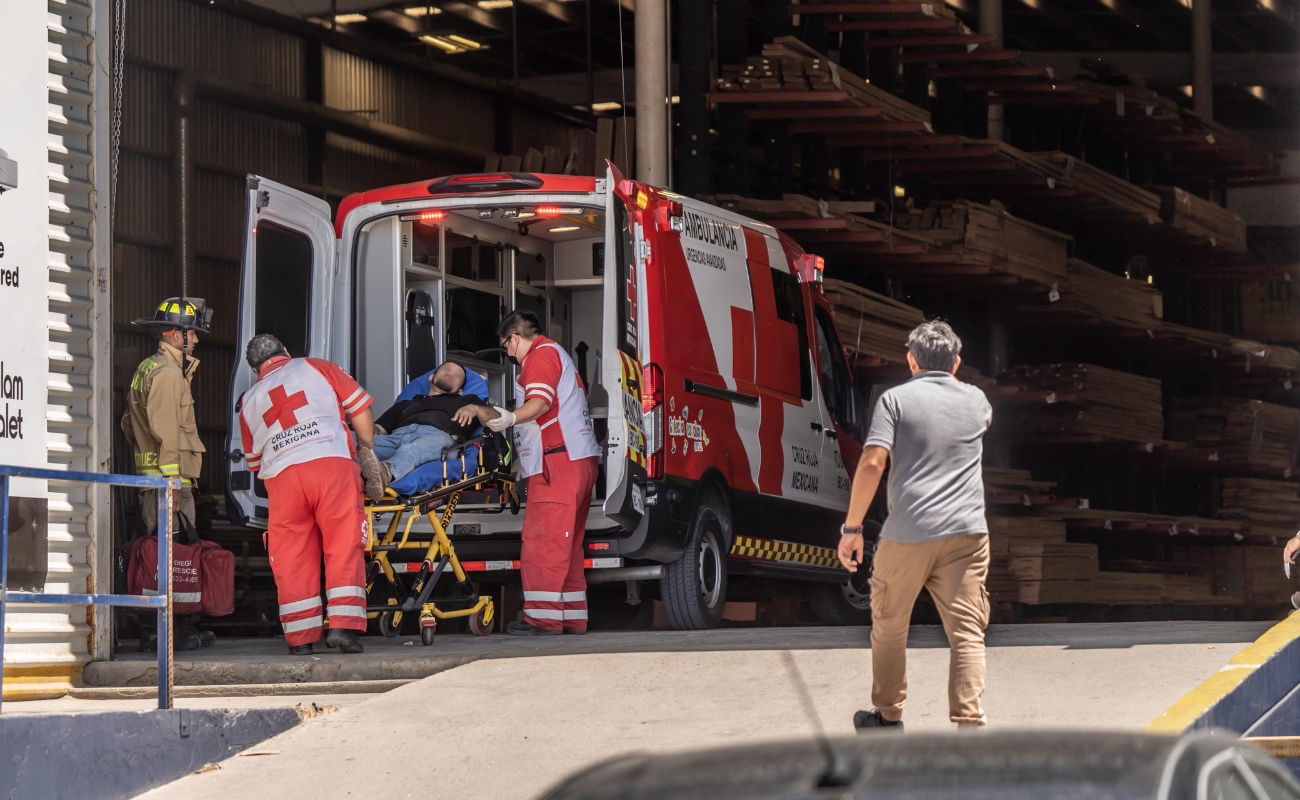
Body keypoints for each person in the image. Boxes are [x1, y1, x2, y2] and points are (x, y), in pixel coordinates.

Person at [838, 320, 993, 732]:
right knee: (967, 633)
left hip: (908, 531)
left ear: (910, 360)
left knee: (890, 626)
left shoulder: (895, 401)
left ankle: (888, 716)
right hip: (966, 533)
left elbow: (872, 463)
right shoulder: (978, 402)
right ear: (956, 363)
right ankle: (969, 728)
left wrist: (852, 529)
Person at [238, 334, 376, 655]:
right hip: (330, 464)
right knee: (343, 543)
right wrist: (367, 450)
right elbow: (360, 411)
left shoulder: (248, 400)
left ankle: (300, 639)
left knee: (292, 556)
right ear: (286, 351)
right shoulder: (316, 366)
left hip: (283, 480)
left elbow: (254, 462)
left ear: (255, 369)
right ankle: (342, 627)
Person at [480, 310, 601, 635]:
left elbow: (541, 404)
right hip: (574, 461)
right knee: (567, 547)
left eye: (506, 346)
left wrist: (508, 418)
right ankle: (571, 617)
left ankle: (543, 620)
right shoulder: (557, 354)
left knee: (544, 543)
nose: (508, 353)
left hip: (557, 464)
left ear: (514, 338)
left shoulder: (540, 357)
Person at [122, 296, 214, 652]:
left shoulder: (148, 368)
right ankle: (170, 633)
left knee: (161, 558)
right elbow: (166, 432)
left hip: (154, 480)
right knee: (173, 561)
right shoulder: (169, 374)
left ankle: (162, 631)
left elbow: (128, 425)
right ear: (176, 335)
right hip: (167, 483)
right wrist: (172, 482)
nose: (197, 340)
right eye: (193, 333)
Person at [358, 362, 490, 501]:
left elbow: (497, 418)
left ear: (460, 391)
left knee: (410, 450)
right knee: (350, 437)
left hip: (439, 439)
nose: (451, 372)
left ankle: (384, 474)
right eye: (446, 369)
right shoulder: (405, 404)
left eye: (457, 375)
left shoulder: (468, 401)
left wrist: (476, 409)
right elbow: (375, 430)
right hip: (396, 439)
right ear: (431, 377)